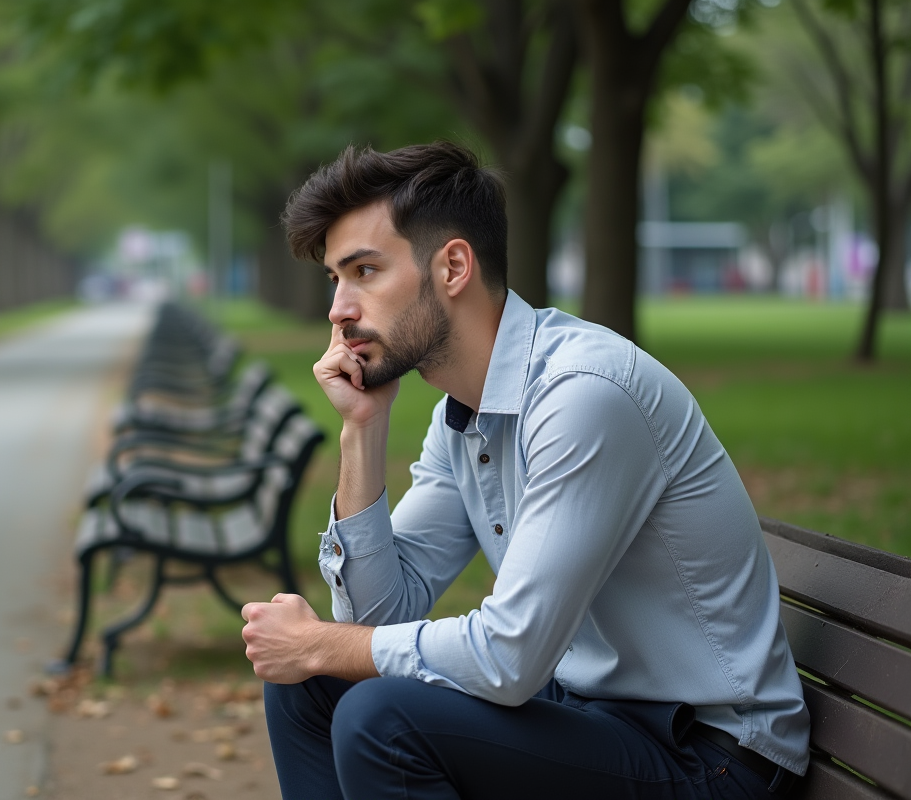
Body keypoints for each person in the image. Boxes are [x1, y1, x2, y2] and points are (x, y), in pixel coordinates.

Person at [240, 141, 809, 800]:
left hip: (711, 757)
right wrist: (361, 431)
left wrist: (319, 643)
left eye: (364, 271)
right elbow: (378, 617)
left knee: (379, 716)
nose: (339, 309)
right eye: (335, 279)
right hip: (594, 717)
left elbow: (509, 656)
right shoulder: (465, 414)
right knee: (312, 688)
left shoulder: (582, 394)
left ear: (453, 266)